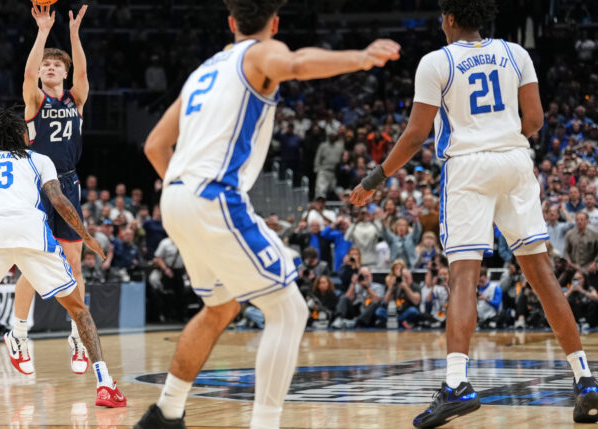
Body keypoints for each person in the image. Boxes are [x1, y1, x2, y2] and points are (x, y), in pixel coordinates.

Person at [135, 0, 399, 427]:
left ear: (230, 21)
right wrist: (361, 58)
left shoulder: (202, 71)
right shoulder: (258, 53)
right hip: (211, 195)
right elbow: (294, 64)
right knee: (289, 309)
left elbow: (154, 146)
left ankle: (165, 411)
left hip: (176, 195)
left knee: (220, 308)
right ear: (274, 24)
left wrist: (186, 194)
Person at [350, 0, 598, 426]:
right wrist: (502, 141)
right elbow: (534, 120)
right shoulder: (516, 54)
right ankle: (586, 381)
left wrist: (374, 179)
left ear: (448, 19)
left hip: (468, 167)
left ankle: (456, 384)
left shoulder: (436, 62)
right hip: (515, 161)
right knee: (541, 274)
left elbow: (415, 136)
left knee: (463, 275)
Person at [0, 107, 125, 409]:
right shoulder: (40, 160)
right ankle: (105, 385)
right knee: (79, 310)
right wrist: (86, 236)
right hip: (32, 233)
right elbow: (59, 201)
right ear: (22, 135)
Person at [11, 3, 93, 376]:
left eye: (57, 65)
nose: (50, 67)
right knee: (33, 260)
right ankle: (18, 332)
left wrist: (74, 35)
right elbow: (28, 73)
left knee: (73, 263)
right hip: (37, 186)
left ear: (65, 72)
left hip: (69, 184)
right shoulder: (36, 99)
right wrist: (43, 32)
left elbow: (83, 69)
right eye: (47, 64)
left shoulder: (75, 99)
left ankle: (77, 335)